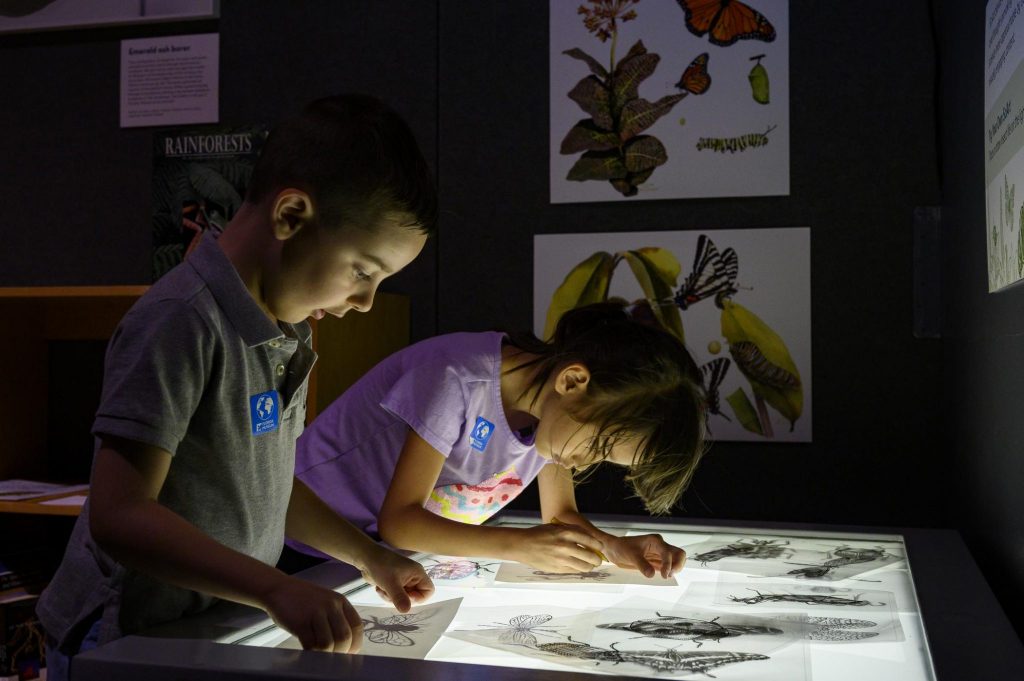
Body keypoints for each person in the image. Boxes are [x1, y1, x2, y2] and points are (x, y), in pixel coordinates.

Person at [37, 94, 438, 676]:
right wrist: (275, 589)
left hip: (206, 628)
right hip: (122, 637)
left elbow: (267, 486)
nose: (364, 302)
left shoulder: (287, 332)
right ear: (291, 216)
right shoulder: (180, 319)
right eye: (363, 271)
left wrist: (367, 556)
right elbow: (119, 515)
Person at [291, 302, 709, 577]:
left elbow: (559, 515)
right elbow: (400, 522)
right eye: (596, 446)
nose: (582, 462)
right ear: (573, 381)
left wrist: (613, 547)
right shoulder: (456, 377)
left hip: (366, 565)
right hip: (299, 543)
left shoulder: (558, 413)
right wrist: (517, 545)